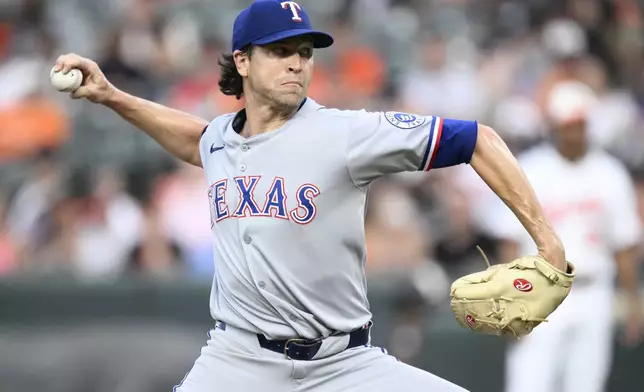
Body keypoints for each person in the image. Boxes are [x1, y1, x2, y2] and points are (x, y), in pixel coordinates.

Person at [53, 1, 567, 390]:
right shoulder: (220, 140)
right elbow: (195, 140)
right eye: (280, 52)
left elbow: (478, 138)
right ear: (243, 62)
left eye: (304, 52)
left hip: (344, 364)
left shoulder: (345, 134)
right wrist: (111, 96)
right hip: (237, 361)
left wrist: (548, 244)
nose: (298, 63)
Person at [487, 81, 643, 392]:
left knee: (586, 386)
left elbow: (624, 246)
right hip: (540, 294)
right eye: (568, 125)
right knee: (529, 384)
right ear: (554, 126)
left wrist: (632, 301)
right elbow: (509, 242)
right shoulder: (531, 169)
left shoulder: (609, 173)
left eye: (580, 125)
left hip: (593, 292)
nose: (574, 133)